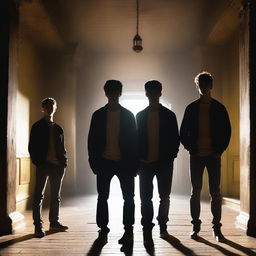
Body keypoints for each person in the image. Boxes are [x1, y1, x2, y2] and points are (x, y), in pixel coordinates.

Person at [180, 71, 231, 242]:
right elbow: (183, 132)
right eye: (200, 84)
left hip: (213, 155)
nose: (203, 87)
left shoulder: (219, 108)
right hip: (196, 155)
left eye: (206, 84)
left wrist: (219, 150)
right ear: (198, 85)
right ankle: (196, 227)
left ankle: (217, 229)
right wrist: (190, 148)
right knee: (195, 191)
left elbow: (227, 132)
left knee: (215, 192)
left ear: (211, 86)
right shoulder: (191, 108)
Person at [88, 80, 138, 246]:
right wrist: (94, 162)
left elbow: (134, 141)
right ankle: (103, 229)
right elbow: (92, 141)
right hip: (104, 162)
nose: (114, 94)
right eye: (111, 91)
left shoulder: (128, 115)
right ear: (106, 93)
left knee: (128, 198)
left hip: (125, 163)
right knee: (103, 197)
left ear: (120, 93)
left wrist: (134, 165)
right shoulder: (98, 115)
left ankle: (128, 230)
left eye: (116, 91)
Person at [136, 80, 180, 247]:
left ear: (160, 94)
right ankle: (149, 228)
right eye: (151, 92)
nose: (153, 95)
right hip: (145, 163)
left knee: (163, 197)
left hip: (163, 163)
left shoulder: (169, 115)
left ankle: (162, 226)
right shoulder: (140, 116)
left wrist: (170, 157)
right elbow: (135, 141)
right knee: (147, 199)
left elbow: (176, 140)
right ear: (147, 94)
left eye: (155, 92)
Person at [28, 97, 68, 238]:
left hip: (58, 166)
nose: (49, 109)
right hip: (43, 165)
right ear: (42, 109)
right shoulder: (37, 127)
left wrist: (64, 162)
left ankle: (54, 222)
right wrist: (38, 162)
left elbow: (62, 147)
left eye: (52, 106)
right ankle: (38, 226)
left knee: (55, 196)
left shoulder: (58, 128)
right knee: (39, 196)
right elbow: (31, 147)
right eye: (47, 107)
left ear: (55, 108)